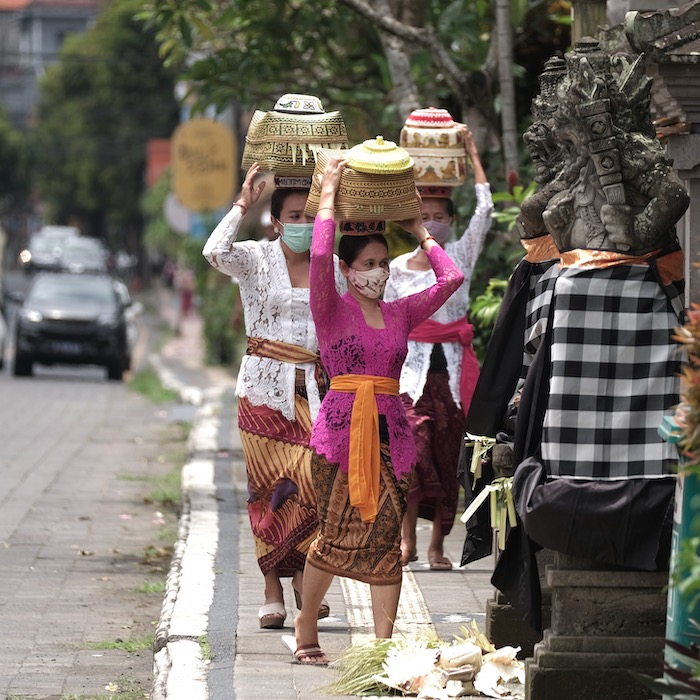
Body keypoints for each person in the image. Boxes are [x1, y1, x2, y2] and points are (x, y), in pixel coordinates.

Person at [286, 156, 464, 664]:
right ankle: (306, 625)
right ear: (347, 270)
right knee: (336, 535)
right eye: (368, 265)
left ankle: (384, 650)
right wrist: (328, 200)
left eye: (383, 263)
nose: (379, 272)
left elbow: (451, 279)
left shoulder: (400, 311)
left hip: (392, 439)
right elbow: (319, 256)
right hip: (340, 438)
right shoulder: (331, 307)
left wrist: (421, 234)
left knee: (387, 542)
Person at [202, 162, 345, 630]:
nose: (303, 226)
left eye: (310, 216)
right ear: (278, 220)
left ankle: (304, 572)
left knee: (309, 484)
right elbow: (213, 250)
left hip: (314, 392)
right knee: (267, 492)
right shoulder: (255, 258)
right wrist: (244, 200)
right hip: (262, 390)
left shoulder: (331, 266)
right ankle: (271, 587)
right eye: (294, 217)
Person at [383, 125, 493, 569]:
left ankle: (437, 546)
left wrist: (470, 150)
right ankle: (407, 539)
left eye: (440, 215)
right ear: (414, 223)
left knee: (448, 460)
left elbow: (485, 209)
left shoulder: (461, 257)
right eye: (423, 215)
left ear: (449, 219)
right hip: (409, 377)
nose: (433, 222)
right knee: (412, 455)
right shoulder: (393, 269)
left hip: (450, 376)